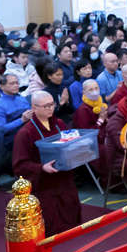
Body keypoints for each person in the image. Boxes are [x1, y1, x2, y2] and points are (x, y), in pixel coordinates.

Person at [12, 91, 82, 237]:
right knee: (52, 228)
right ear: (34, 108)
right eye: (46, 106)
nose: (50, 109)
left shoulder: (59, 124)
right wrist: (41, 168)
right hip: (43, 185)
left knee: (72, 222)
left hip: (64, 178)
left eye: (52, 104)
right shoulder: (25, 133)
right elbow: (19, 166)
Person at [0, 74, 32, 185]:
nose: (16, 85)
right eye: (12, 83)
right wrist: (21, 120)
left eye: (17, 83)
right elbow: (0, 129)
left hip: (25, 133)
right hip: (9, 139)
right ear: (2, 86)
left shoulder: (21, 99)